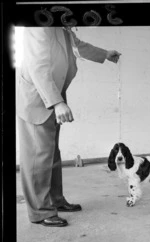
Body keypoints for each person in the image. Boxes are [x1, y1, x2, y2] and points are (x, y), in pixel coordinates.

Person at [16, 27, 121, 227]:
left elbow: (77, 46)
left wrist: (105, 54)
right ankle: (40, 211)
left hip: (52, 93)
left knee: (51, 154)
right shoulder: (39, 26)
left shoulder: (62, 27)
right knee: (38, 157)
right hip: (38, 98)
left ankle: (55, 200)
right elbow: (36, 66)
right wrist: (56, 103)